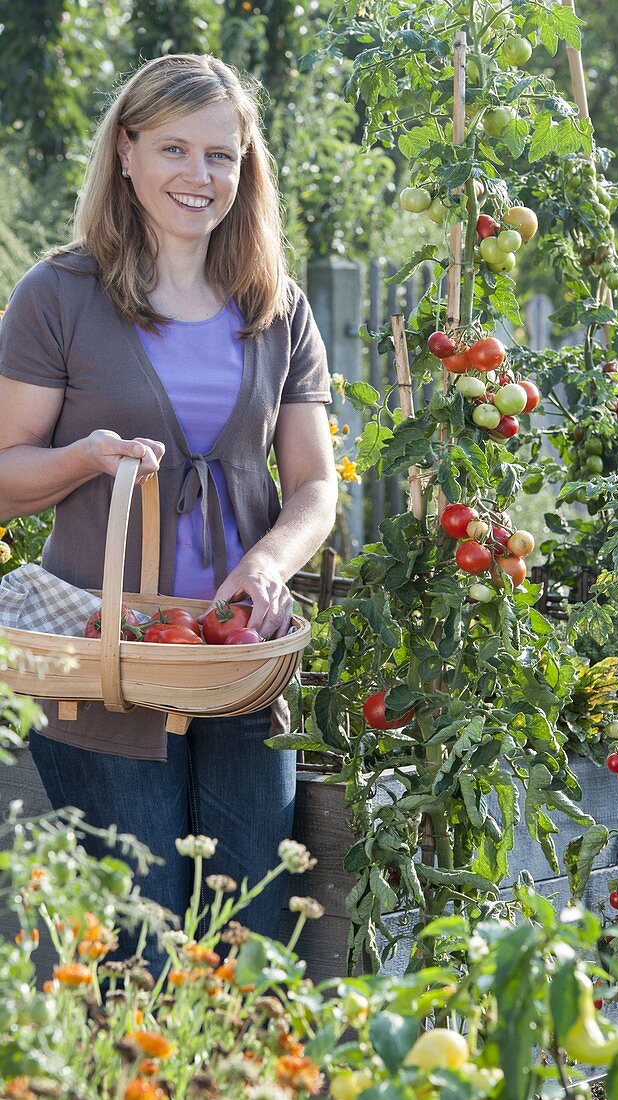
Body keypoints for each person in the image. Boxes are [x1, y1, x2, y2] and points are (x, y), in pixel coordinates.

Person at [0, 54, 338, 976]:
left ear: (247, 168)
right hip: (105, 661)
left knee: (249, 945)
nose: (200, 177)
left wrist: (267, 567)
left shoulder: (276, 309)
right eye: (175, 150)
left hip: (240, 667)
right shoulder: (58, 297)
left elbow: (314, 485)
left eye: (222, 156)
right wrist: (84, 458)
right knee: (137, 951)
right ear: (126, 151)